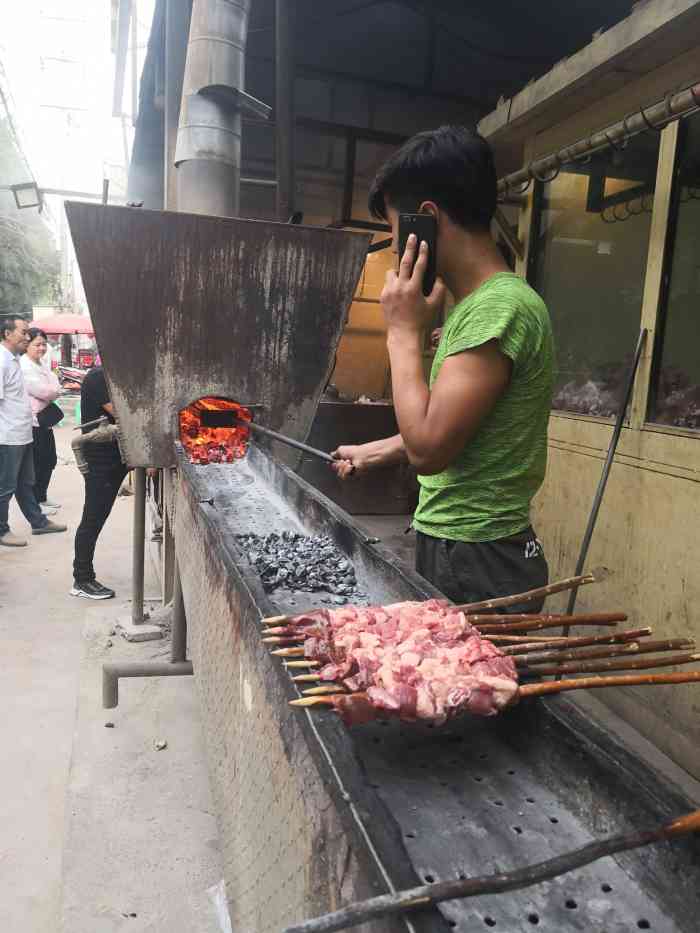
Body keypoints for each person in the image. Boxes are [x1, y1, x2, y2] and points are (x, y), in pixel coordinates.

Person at [332, 126, 554, 612]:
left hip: (481, 558)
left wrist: (402, 333)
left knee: (470, 688)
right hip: (468, 549)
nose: (394, 246)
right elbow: (457, 431)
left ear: (425, 219)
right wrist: (377, 451)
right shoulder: (476, 307)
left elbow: (430, 448)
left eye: (394, 228)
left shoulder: (500, 309)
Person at [0, 315, 67, 546]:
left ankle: (38, 522)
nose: (27, 337)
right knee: (6, 485)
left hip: (24, 430)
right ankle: (1, 530)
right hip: (8, 436)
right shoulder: (1, 360)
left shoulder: (14, 359)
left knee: (24, 482)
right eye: (23, 332)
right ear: (8, 334)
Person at [71, 366, 127, 599]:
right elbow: (122, 412)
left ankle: (83, 576)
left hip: (119, 454)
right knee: (93, 517)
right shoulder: (98, 377)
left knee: (97, 515)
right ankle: (82, 579)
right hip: (101, 458)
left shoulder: (118, 374)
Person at [20, 327, 77, 513]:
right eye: (37, 344)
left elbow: (53, 385)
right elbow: (45, 391)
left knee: (49, 460)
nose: (42, 348)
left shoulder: (40, 364)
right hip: (33, 422)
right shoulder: (24, 366)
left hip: (45, 421)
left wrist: (53, 389)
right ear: (27, 345)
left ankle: (42, 497)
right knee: (38, 462)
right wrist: (54, 390)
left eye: (44, 344)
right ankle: (36, 502)